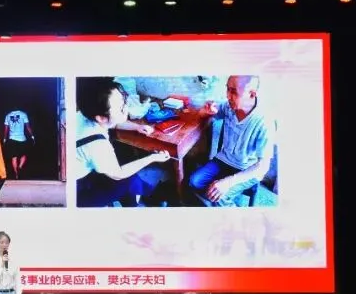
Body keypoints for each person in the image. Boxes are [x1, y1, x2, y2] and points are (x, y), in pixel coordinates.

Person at [74, 77, 169, 207]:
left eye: (123, 101)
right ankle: (138, 202)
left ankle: (144, 195)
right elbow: (118, 174)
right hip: (77, 191)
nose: (126, 107)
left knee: (130, 174)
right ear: (101, 117)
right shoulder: (96, 145)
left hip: (84, 169)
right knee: (127, 179)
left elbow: (112, 122)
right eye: (120, 108)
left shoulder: (84, 114)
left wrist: (137, 127)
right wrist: (152, 158)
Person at [188, 75, 274, 206]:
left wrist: (227, 182)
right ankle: (214, 198)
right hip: (224, 160)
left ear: (252, 94)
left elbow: (263, 167)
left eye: (233, 91)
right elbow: (211, 112)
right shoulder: (228, 107)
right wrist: (205, 111)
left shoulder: (264, 122)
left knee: (220, 198)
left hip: (246, 169)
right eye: (227, 89)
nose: (228, 96)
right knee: (194, 182)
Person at [3, 109, 34, 179]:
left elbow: (6, 129)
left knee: (14, 157)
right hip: (22, 138)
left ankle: (16, 173)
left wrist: (4, 139)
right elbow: (28, 127)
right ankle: (20, 167)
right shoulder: (23, 114)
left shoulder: (8, 115)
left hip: (12, 138)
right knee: (24, 155)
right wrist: (32, 136)